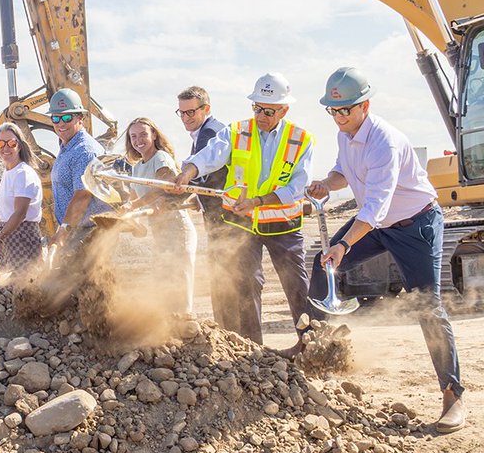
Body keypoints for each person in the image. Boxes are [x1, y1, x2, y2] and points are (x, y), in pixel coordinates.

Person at [306, 67, 465, 433]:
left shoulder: (384, 142)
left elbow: (375, 206)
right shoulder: (345, 135)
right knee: (322, 265)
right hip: (377, 224)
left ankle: (453, 395)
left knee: (428, 305)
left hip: (414, 224)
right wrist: (325, 185)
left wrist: (344, 244)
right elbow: (342, 172)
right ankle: (317, 349)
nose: (339, 116)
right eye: (333, 110)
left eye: (345, 109)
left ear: (365, 105)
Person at [174, 72, 313, 349]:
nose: (261, 114)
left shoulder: (300, 139)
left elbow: (298, 186)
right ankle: (253, 348)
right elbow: (212, 154)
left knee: (297, 286)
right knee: (247, 284)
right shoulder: (237, 131)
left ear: (283, 109)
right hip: (243, 222)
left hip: (282, 223)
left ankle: (310, 343)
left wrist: (260, 201)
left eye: (268, 110)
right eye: (257, 107)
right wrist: (189, 171)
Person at [177, 85, 238, 330]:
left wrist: (175, 193)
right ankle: (228, 326)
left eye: (191, 112)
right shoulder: (205, 132)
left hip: (224, 216)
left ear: (206, 109)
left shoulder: (210, 133)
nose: (186, 118)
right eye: (181, 113)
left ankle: (229, 328)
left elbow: (202, 177)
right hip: (218, 213)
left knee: (225, 274)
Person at [124, 117, 197, 316]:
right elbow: (132, 196)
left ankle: (185, 321)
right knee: (166, 274)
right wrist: (131, 217)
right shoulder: (137, 167)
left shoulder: (161, 158)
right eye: (133, 136)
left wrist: (136, 205)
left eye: (143, 134)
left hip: (176, 225)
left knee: (180, 273)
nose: (138, 140)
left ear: (154, 135)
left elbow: (162, 187)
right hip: (159, 229)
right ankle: (169, 320)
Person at [47, 88, 111, 242]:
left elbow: (82, 196)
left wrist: (63, 231)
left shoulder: (84, 151)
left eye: (67, 117)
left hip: (88, 234)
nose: (61, 123)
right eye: (56, 118)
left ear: (80, 118)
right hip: (76, 230)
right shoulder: (67, 147)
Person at [0, 124, 43, 274]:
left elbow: (21, 213)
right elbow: (15, 207)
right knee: (8, 287)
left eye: (11, 143)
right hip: (11, 234)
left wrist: (0, 238)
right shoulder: (8, 172)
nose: (5, 147)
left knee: (21, 285)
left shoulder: (23, 173)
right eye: (0, 143)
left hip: (22, 237)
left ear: (19, 146)